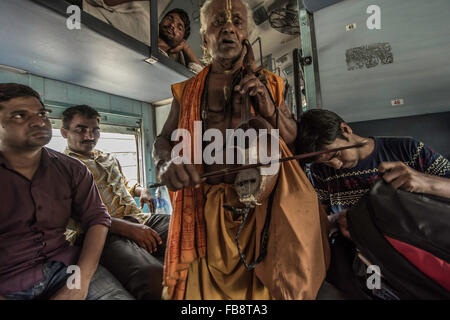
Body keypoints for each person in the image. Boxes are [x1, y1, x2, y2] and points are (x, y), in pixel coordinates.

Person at [153, 0, 330, 300]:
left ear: (245, 33)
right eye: (219, 21)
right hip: (202, 217)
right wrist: (164, 163)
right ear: (205, 37)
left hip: (258, 216)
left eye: (237, 21)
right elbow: (163, 138)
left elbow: (293, 141)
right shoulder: (185, 91)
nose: (229, 28)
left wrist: (267, 106)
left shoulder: (271, 84)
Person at [296, 108, 450, 298]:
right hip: (365, 262)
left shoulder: (407, 150)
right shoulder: (321, 172)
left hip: (417, 258)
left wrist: (425, 182)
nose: (336, 165)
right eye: (327, 163)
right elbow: (322, 212)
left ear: (345, 129)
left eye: (335, 155)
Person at [0, 83, 133, 300]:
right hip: (8, 284)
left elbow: (97, 219)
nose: (38, 121)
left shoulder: (72, 169)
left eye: (41, 113)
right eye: (19, 115)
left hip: (67, 268)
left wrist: (78, 285)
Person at [61, 105, 171, 300]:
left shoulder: (107, 158)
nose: (89, 135)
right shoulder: (62, 167)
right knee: (154, 276)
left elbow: (123, 182)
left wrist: (141, 189)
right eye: (81, 129)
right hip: (103, 232)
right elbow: (73, 216)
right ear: (64, 132)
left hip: (140, 218)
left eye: (95, 130)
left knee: (188, 229)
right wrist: (128, 229)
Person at [74, 1, 203, 73]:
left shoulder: (166, 60)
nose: (173, 25)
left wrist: (185, 47)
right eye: (170, 18)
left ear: (182, 41)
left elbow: (199, 76)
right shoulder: (144, 19)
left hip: (85, 48)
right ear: (159, 22)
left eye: (179, 27)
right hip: (78, 13)